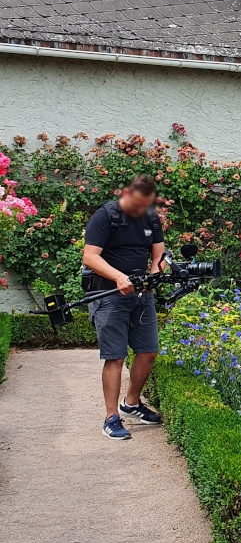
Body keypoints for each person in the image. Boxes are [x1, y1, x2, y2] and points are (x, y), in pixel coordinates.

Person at [82, 174, 167, 440]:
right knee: (116, 356)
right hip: (107, 293)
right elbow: (90, 256)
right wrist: (119, 277)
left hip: (140, 295)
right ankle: (111, 417)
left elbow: (159, 255)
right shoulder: (106, 216)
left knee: (148, 351)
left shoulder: (151, 218)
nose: (140, 211)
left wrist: (153, 277)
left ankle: (131, 403)